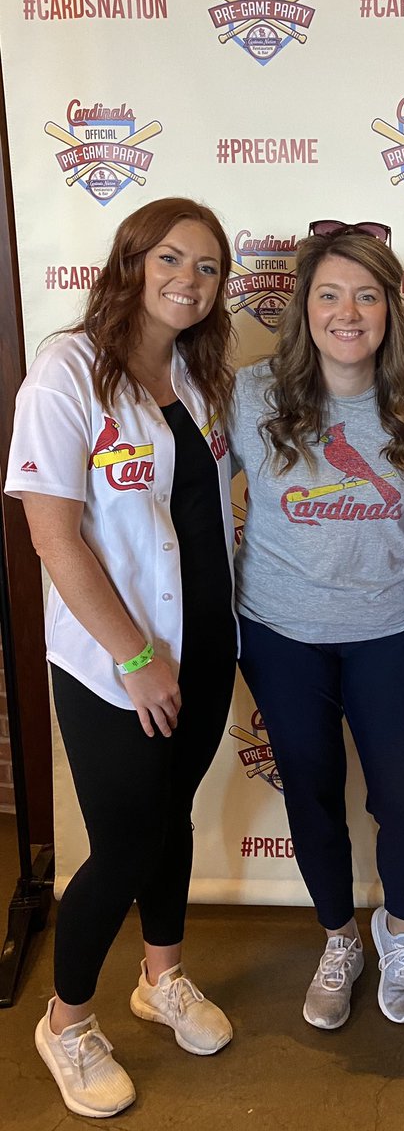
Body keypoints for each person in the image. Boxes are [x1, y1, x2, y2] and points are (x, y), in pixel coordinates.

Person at [6, 198, 239, 1117]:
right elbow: (52, 536)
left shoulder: (199, 372)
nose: (190, 278)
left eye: (210, 266)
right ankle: (64, 1021)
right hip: (119, 662)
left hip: (209, 642)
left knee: (170, 815)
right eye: (171, 258)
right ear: (131, 261)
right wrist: (136, 655)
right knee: (128, 840)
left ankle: (162, 979)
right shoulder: (65, 372)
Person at [228, 221, 404, 1031]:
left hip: (387, 633)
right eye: (329, 294)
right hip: (279, 634)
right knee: (314, 797)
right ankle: (339, 940)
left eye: (366, 294)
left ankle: (400, 936)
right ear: (304, 307)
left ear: (390, 307)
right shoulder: (252, 393)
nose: (348, 311)